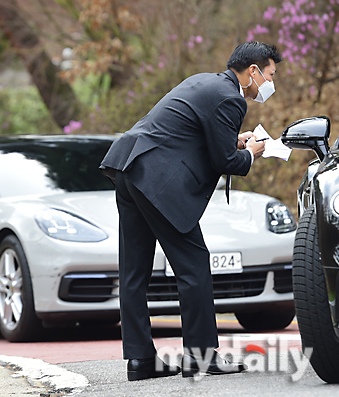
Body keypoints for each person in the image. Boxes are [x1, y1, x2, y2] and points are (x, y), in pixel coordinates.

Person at [100, 41, 282, 380]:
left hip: (127, 168)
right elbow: (224, 161)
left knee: (134, 272)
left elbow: (187, 134)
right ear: (253, 71)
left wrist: (236, 140)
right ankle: (200, 357)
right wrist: (253, 152)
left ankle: (141, 361)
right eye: (270, 75)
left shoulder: (204, 81)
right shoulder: (231, 98)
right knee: (194, 266)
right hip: (153, 180)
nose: (271, 84)